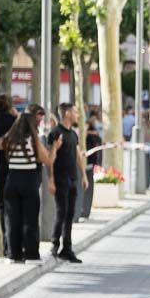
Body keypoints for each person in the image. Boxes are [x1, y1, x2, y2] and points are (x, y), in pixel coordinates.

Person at [0, 105, 55, 264]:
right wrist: (55, 148)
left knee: (12, 219)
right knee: (29, 219)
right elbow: (48, 160)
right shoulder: (32, 140)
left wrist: (12, 130)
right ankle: (30, 254)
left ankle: (12, 255)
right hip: (28, 180)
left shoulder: (10, 139)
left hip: (12, 180)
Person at [46, 104, 90, 262]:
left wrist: (84, 175)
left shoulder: (73, 134)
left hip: (72, 178)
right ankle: (54, 244)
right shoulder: (55, 133)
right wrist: (51, 179)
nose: (78, 114)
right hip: (60, 179)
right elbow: (49, 160)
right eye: (75, 111)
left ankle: (67, 248)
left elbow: (78, 155)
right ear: (66, 113)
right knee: (61, 212)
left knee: (70, 214)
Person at [0, 95, 18, 256]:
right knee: (13, 206)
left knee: (2, 205)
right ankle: (11, 244)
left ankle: (3, 242)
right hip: (15, 166)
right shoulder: (14, 121)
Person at [78, 113, 103, 221]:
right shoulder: (87, 126)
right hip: (87, 156)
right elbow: (83, 134)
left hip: (91, 155)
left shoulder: (93, 126)